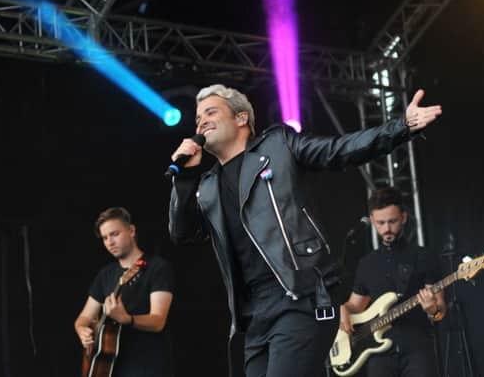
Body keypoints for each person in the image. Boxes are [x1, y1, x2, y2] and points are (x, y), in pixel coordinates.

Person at [168, 84, 442, 377]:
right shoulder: (207, 186)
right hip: (253, 316)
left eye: (211, 112)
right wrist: (184, 180)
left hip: (299, 295)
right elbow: (182, 233)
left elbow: (339, 150)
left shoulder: (277, 146)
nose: (201, 122)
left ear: (241, 118)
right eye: (197, 118)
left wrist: (401, 126)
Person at [339, 187, 446, 377]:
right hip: (378, 353)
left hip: (418, 349)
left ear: (403, 218)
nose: (387, 228)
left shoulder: (424, 256)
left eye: (392, 221)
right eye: (380, 223)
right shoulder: (367, 264)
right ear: (372, 221)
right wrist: (344, 309)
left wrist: (433, 310)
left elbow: (440, 310)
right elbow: (355, 305)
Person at [74, 207, 175, 377]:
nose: (109, 242)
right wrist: (82, 330)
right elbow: (84, 317)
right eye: (105, 238)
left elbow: (158, 321)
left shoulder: (157, 268)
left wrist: (127, 319)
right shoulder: (105, 274)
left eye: (114, 234)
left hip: (148, 366)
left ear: (131, 230)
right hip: (111, 367)